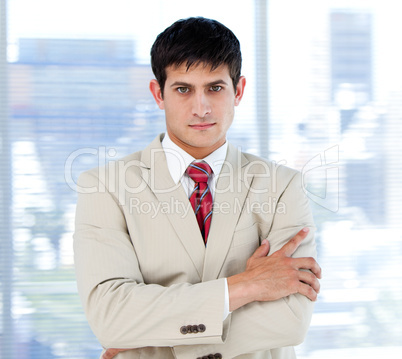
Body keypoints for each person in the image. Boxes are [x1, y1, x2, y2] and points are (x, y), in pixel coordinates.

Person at [73, 17, 322, 359]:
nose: (201, 108)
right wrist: (245, 286)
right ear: (158, 93)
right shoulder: (104, 188)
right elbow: (111, 317)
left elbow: (290, 320)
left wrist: (150, 336)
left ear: (239, 90)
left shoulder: (283, 186)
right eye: (183, 89)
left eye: (215, 88)